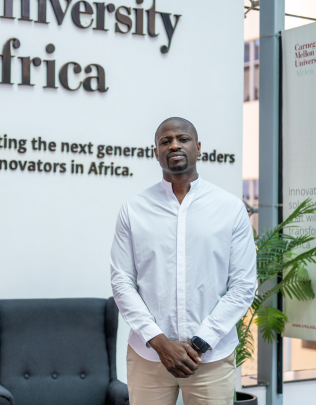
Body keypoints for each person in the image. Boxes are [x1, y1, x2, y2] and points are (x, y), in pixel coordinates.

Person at [110, 117, 256, 405]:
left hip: (211, 358)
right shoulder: (133, 210)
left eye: (182, 138)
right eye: (165, 141)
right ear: (156, 152)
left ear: (198, 147)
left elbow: (243, 285)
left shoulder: (229, 209)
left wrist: (201, 341)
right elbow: (121, 282)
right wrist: (160, 342)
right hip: (148, 358)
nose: (174, 144)